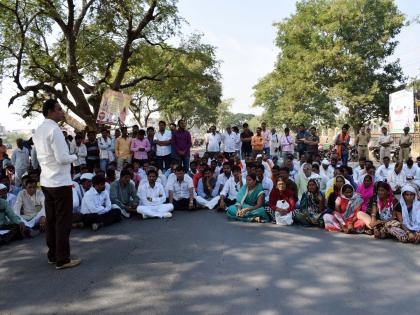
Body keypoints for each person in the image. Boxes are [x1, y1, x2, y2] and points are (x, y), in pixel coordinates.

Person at [33, 99, 80, 270]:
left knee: (52, 221)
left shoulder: (38, 131)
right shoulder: (55, 130)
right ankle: (63, 259)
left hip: (46, 181)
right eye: (60, 109)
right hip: (60, 182)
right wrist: (74, 156)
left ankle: (53, 255)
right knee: (63, 222)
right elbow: (61, 158)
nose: (62, 112)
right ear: (52, 111)